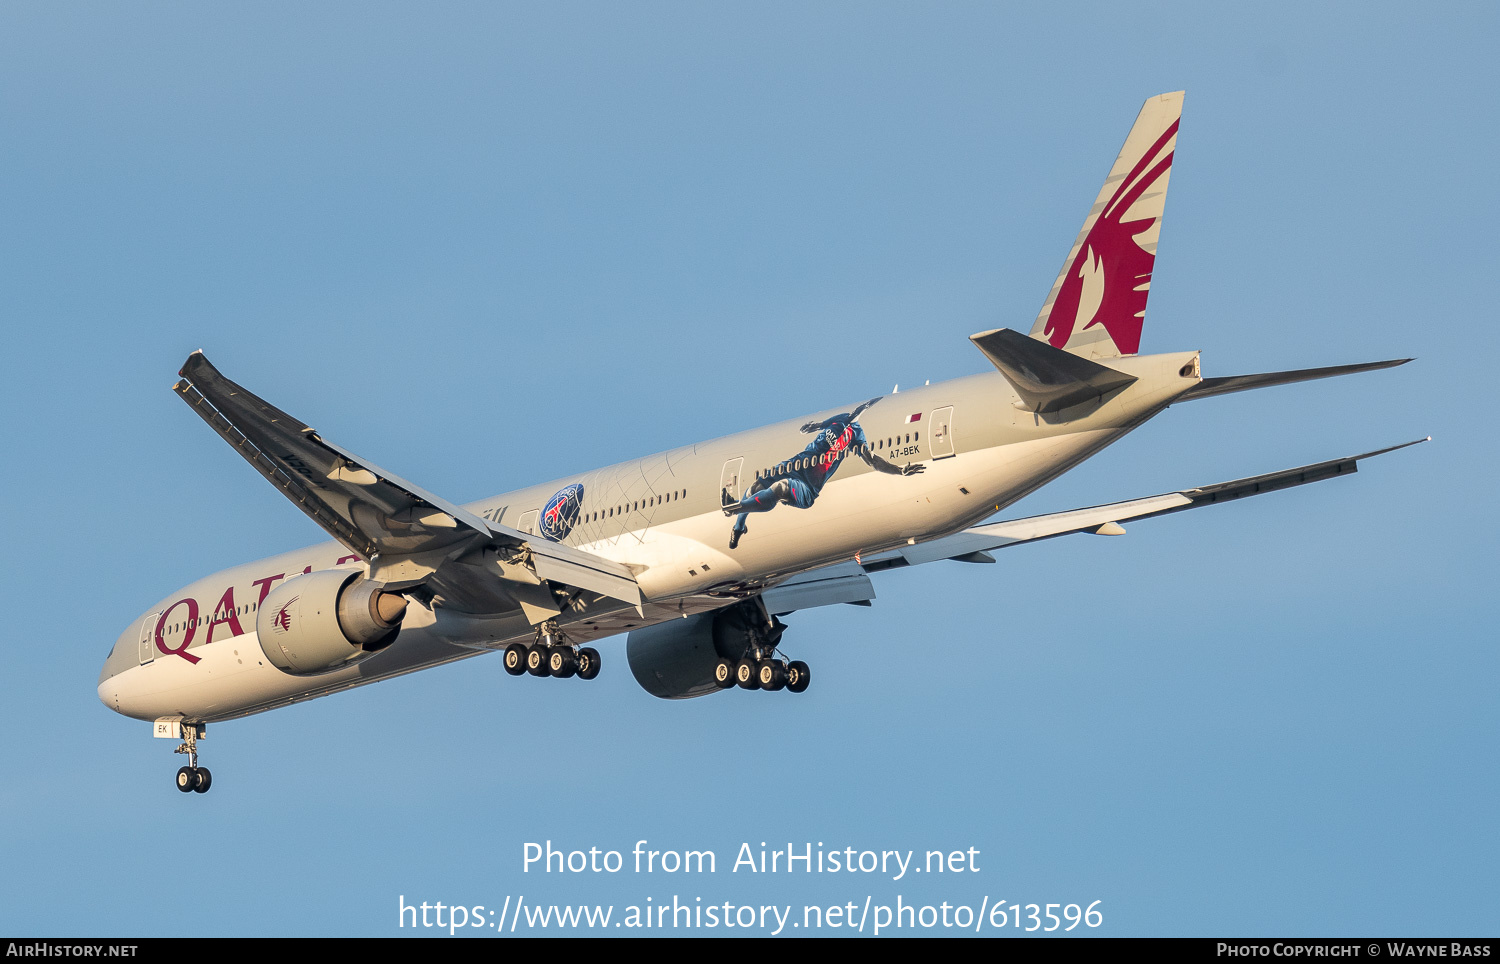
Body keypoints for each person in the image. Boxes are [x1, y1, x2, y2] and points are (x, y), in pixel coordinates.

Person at [722, 397, 924, 549]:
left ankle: (735, 508)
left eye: (858, 413)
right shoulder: (841, 419)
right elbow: (819, 425)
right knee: (755, 487)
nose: (854, 415)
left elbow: (873, 461)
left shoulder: (856, 436)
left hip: (807, 487)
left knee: (779, 488)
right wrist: (812, 427)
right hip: (794, 465)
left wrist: (899, 470)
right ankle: (739, 527)